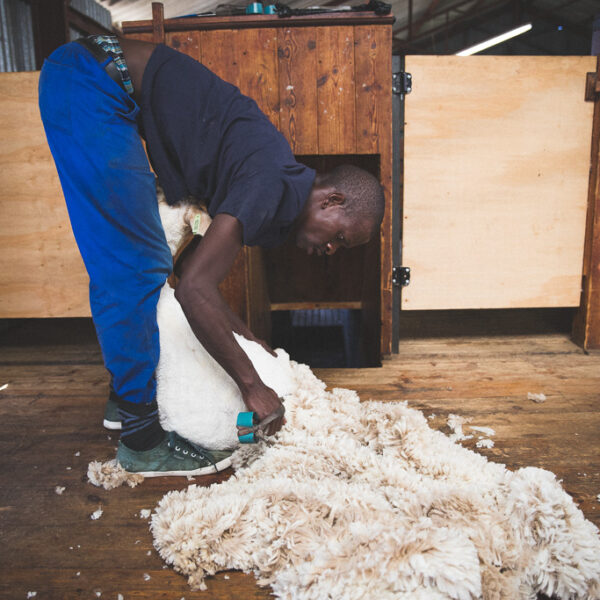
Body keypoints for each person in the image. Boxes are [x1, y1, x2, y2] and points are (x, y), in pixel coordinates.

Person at [38, 34, 385, 478]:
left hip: (99, 81)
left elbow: (188, 273)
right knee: (133, 264)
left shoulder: (277, 186)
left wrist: (247, 338)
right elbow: (195, 291)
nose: (331, 250)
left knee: (147, 262)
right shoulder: (267, 184)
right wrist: (252, 386)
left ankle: (126, 403)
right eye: (341, 238)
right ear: (332, 201)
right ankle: (141, 439)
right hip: (90, 82)